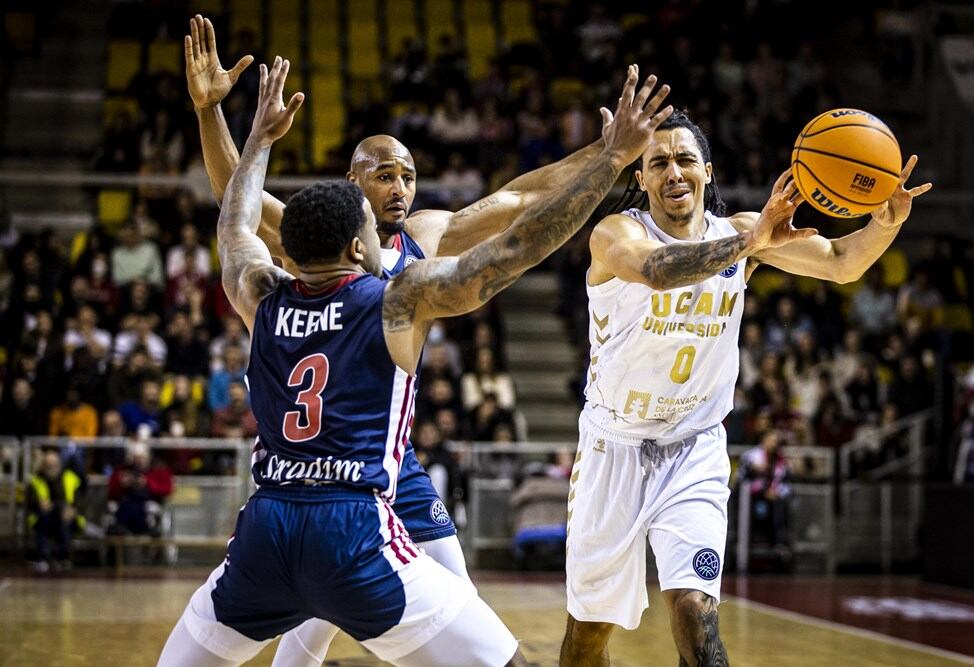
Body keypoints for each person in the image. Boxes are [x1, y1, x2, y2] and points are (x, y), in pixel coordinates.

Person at [159, 47, 670, 664]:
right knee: (316, 623)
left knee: (453, 595)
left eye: (407, 175)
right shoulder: (323, 236)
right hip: (345, 486)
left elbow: (516, 201)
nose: (400, 188)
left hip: (377, 468)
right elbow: (230, 195)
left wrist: (603, 150)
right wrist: (611, 160)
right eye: (384, 176)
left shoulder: (422, 236)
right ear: (353, 196)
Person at [559, 110, 932, 666]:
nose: (673, 172)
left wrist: (886, 222)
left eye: (685, 160)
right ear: (640, 179)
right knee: (589, 637)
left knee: (695, 615)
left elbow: (840, 263)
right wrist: (751, 244)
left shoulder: (739, 233)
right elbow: (658, 269)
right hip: (613, 449)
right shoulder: (618, 234)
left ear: (708, 172)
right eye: (657, 162)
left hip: (695, 449)